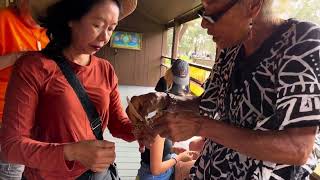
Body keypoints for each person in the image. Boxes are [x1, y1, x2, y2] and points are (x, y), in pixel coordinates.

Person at [127, 0, 320, 179]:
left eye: (214, 12)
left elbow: (298, 148)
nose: (203, 24)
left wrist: (201, 126)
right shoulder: (231, 49)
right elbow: (206, 104)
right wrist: (162, 100)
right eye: (203, 10)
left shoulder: (302, 42)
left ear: (252, 5)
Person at [0, 0, 141, 179]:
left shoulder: (105, 69)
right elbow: (12, 147)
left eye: (111, 28)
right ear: (71, 19)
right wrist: (72, 152)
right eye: (97, 25)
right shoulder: (34, 67)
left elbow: (118, 124)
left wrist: (144, 129)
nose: (105, 37)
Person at [0, 0, 49, 179]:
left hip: (27, 117)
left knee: (14, 171)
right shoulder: (4, 20)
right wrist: (19, 56)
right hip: (3, 112)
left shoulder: (48, 30)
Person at [137, 59, 195, 180]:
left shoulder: (165, 117)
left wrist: (172, 150)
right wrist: (178, 157)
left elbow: (157, 148)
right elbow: (155, 169)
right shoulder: (160, 121)